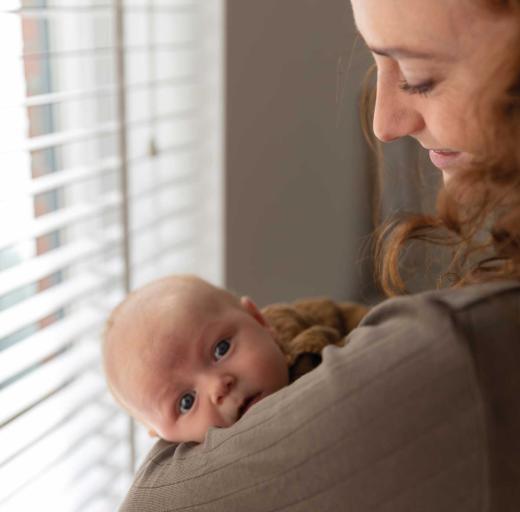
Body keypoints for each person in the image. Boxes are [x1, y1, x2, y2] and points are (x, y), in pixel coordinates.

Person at [119, 1, 520, 510]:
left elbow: (154, 502)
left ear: (256, 318)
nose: (384, 122)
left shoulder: (463, 352)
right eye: (184, 401)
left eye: (419, 76)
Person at [103, 274, 366, 444]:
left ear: (258, 320)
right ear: (161, 435)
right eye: (186, 402)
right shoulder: (208, 481)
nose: (219, 387)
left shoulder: (296, 322)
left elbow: (382, 328)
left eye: (221, 349)